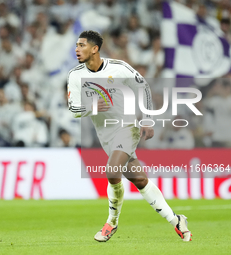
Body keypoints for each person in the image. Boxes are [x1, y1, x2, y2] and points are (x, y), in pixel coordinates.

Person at [67, 30, 192, 242]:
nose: (77, 49)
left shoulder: (119, 68)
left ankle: (111, 222)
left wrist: (147, 119)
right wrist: (93, 106)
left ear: (95, 48)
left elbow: (143, 87)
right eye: (77, 45)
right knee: (140, 179)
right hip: (105, 134)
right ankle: (176, 220)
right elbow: (73, 108)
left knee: (112, 171)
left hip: (127, 125)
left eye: (82, 45)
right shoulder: (76, 75)